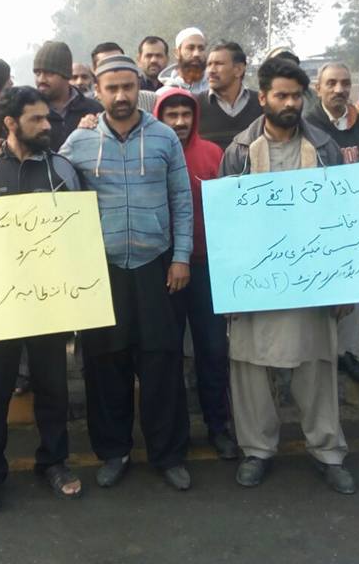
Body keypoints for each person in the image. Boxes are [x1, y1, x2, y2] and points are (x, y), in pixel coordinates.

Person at [219, 57, 355, 494]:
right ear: (262, 98)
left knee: (317, 367)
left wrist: (343, 283)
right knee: (251, 370)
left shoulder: (326, 148)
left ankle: (328, 452)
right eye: (281, 94)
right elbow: (227, 225)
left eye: (297, 95)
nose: (291, 102)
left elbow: (343, 217)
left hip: (311, 282)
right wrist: (230, 288)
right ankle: (257, 450)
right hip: (255, 283)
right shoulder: (239, 151)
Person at [60, 54, 194, 491]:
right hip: (102, 272)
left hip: (157, 267)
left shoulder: (164, 138)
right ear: (96, 92)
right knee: (105, 366)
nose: (120, 96)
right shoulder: (77, 144)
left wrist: (182, 257)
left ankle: (168, 454)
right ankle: (113, 451)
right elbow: (50, 190)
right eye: (111, 88)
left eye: (128, 87)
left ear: (139, 89)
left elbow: (181, 199)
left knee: (162, 364)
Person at [0, 86, 84, 514]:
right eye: (37, 120)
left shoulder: (63, 171)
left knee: (53, 387)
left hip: (50, 303)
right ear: (10, 124)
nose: (47, 125)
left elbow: (79, 241)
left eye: (48, 118)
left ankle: (54, 462)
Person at [153, 86, 237, 459]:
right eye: (171, 115)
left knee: (213, 351)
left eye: (186, 114)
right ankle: (176, 434)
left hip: (207, 267)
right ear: (159, 116)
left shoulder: (213, 154)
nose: (180, 122)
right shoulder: (149, 154)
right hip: (164, 267)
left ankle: (218, 427)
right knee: (168, 354)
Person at [304, 62, 359, 385]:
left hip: (356, 222)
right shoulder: (306, 126)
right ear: (318, 88)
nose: (339, 89)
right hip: (318, 225)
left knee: (354, 292)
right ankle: (316, 355)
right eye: (332, 83)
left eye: (345, 83)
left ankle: (346, 353)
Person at [34, 41, 104, 149]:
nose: (41, 79)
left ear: (66, 75)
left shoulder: (94, 109)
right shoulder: (29, 113)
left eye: (49, 73)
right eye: (38, 73)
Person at [196, 40, 263, 151]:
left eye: (218, 64)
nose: (211, 71)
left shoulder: (261, 104)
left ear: (239, 69)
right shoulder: (196, 105)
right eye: (209, 65)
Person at [90, 42, 156, 112]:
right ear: (94, 70)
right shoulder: (86, 107)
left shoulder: (151, 100)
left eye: (119, 61)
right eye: (106, 65)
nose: (114, 69)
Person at [159, 27, 209, 95]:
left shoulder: (218, 89)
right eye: (190, 48)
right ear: (177, 53)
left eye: (201, 49)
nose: (196, 54)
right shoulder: (163, 94)